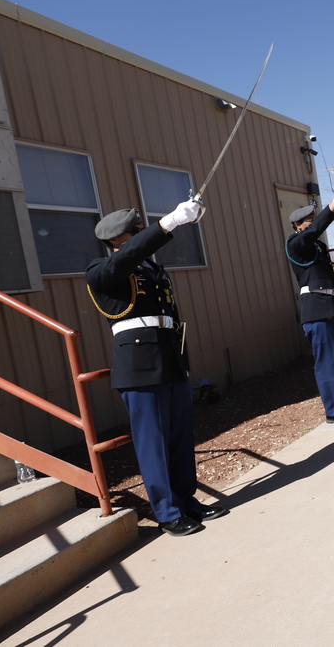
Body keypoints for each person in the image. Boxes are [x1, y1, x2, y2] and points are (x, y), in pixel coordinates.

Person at [85, 199, 225, 537]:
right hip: (139, 366)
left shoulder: (153, 270)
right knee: (153, 443)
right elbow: (126, 258)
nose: (141, 234)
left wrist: (182, 362)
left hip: (169, 358)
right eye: (135, 231)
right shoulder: (101, 270)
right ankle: (167, 512)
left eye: (141, 230)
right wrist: (167, 224)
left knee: (180, 438)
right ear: (116, 239)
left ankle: (186, 501)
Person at [286, 190, 334, 423]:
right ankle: (332, 411)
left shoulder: (317, 247)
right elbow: (314, 231)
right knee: (326, 363)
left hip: (331, 304)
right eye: (309, 220)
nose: (313, 223)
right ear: (298, 225)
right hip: (316, 308)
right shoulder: (295, 244)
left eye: (313, 219)